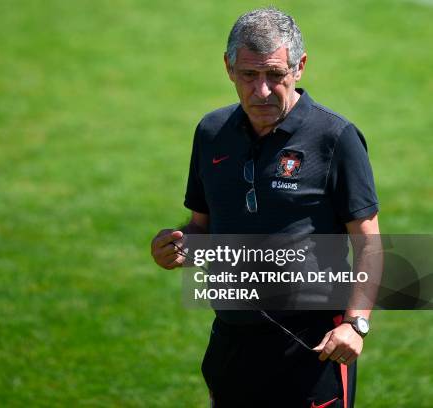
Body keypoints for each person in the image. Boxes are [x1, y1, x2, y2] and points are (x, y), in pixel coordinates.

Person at [150, 7, 380, 408]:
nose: (261, 91)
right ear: (228, 67)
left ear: (299, 67)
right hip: (231, 340)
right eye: (249, 75)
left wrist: (356, 325)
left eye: (275, 75)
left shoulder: (335, 138)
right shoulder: (211, 133)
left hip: (313, 348)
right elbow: (200, 227)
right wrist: (177, 246)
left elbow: (370, 244)